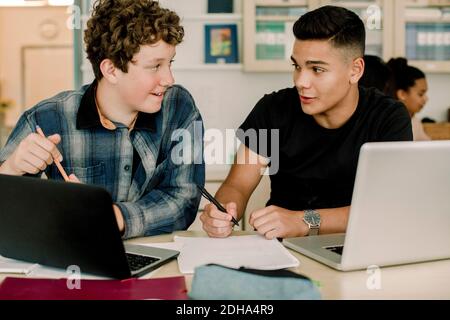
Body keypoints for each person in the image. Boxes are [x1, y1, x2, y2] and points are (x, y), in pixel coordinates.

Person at [200, 5, 412, 239]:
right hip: (283, 249)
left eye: (317, 69)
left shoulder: (388, 117)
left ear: (355, 70)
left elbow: (386, 208)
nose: (301, 81)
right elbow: (238, 184)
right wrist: (223, 211)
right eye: (297, 66)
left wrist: (304, 221)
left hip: (359, 245)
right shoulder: (272, 109)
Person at [0, 0, 205, 239]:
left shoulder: (179, 107)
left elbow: (184, 200)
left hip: (158, 263)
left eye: (169, 63)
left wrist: (112, 216)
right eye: (155, 66)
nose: (168, 78)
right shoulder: (45, 119)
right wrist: (11, 169)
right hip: (74, 261)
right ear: (111, 70)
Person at [386, 57, 431, 141]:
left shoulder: (415, 122)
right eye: (420, 94)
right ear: (402, 94)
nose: (426, 99)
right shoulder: (391, 124)